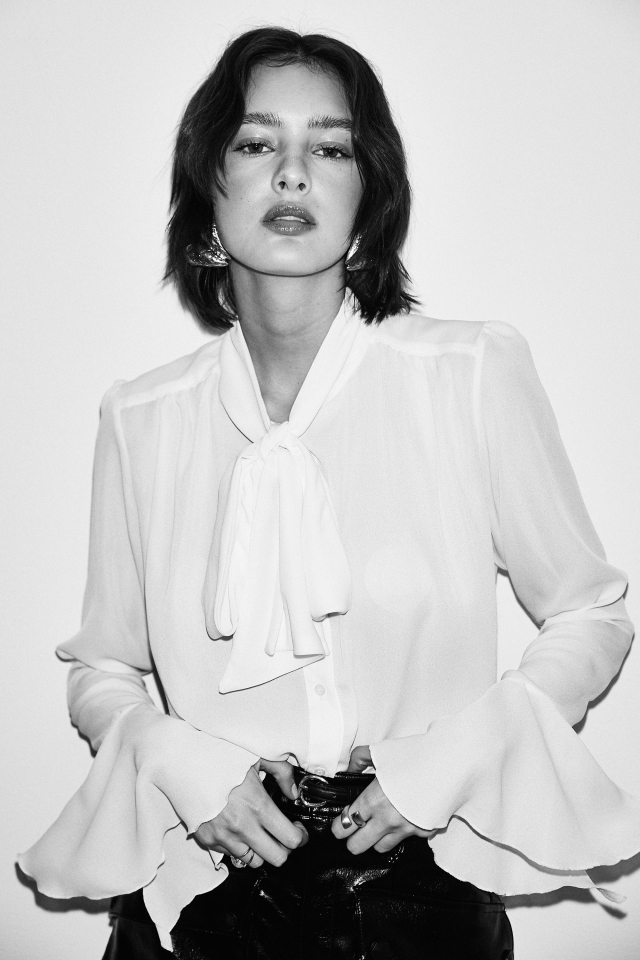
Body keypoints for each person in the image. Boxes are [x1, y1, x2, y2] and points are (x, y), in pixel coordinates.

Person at [19, 26, 640, 960]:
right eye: (256, 142)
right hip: (203, 899)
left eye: (331, 148)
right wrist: (184, 768)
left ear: (368, 195)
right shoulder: (142, 418)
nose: (293, 172)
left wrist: (446, 767)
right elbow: (102, 668)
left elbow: (591, 612)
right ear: (208, 190)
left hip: (420, 897)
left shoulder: (469, 373)